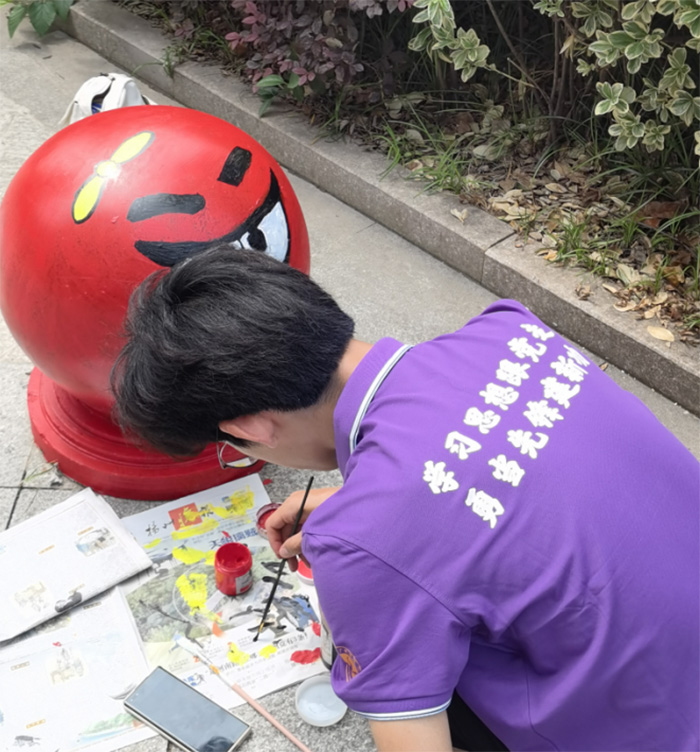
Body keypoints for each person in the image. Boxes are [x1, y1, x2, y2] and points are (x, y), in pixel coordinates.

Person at [112, 245, 700, 752]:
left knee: (405, 665)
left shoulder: (360, 546)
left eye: (231, 449)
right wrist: (367, 509)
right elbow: (525, 477)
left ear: (249, 428)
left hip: (653, 734)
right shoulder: (505, 328)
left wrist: (364, 538)